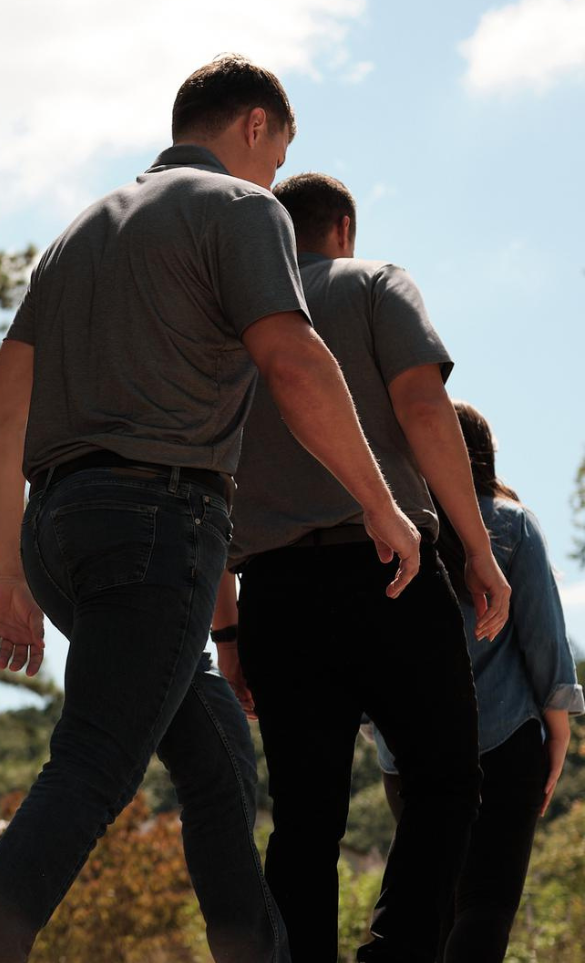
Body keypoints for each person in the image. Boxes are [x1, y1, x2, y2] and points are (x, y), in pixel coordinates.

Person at [0, 55, 425, 963]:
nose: (277, 172)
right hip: (156, 524)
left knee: (215, 757)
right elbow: (292, 360)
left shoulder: (82, 229)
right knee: (95, 762)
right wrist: (381, 504)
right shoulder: (241, 209)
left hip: (62, 530)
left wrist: (11, 571)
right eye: (280, 151)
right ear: (253, 126)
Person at [214, 172, 511, 963]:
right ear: (343, 228)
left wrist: (229, 635)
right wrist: (476, 547)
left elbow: (203, 488)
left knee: (306, 816)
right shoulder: (377, 283)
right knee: (445, 780)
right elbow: (423, 408)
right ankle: (397, 952)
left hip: (274, 593)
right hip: (392, 573)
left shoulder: (235, 328)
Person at [370, 401, 583, 961]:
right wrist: (558, 731)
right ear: (484, 454)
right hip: (506, 743)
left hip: (409, 755)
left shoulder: (386, 530)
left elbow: (369, 647)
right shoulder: (510, 523)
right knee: (486, 906)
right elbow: (543, 638)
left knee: (432, 905)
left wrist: (379, 733)